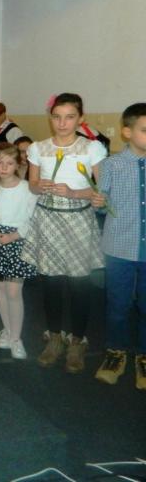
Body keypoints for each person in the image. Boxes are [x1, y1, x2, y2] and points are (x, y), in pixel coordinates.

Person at [21, 93, 106, 374]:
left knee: (79, 283)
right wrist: (40, 186)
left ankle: (77, 340)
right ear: (51, 118)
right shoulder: (38, 148)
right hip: (48, 219)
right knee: (52, 282)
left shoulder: (91, 148)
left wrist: (74, 192)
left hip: (79, 219)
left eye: (69, 117)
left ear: (80, 119)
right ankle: (55, 337)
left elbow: (102, 188)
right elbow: (32, 184)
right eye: (57, 117)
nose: (62, 123)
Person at [91, 103, 146, 389]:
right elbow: (101, 206)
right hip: (119, 249)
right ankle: (115, 353)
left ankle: (144, 357)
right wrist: (99, 203)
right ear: (127, 132)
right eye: (145, 130)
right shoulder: (112, 165)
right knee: (118, 304)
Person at [0, 143, 38, 359]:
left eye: (9, 163)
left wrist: (14, 236)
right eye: (0, 162)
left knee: (13, 292)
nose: (4, 167)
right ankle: (8, 329)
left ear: (18, 165)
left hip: (17, 241)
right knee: (1, 288)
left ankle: (16, 338)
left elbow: (33, 218)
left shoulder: (27, 188)